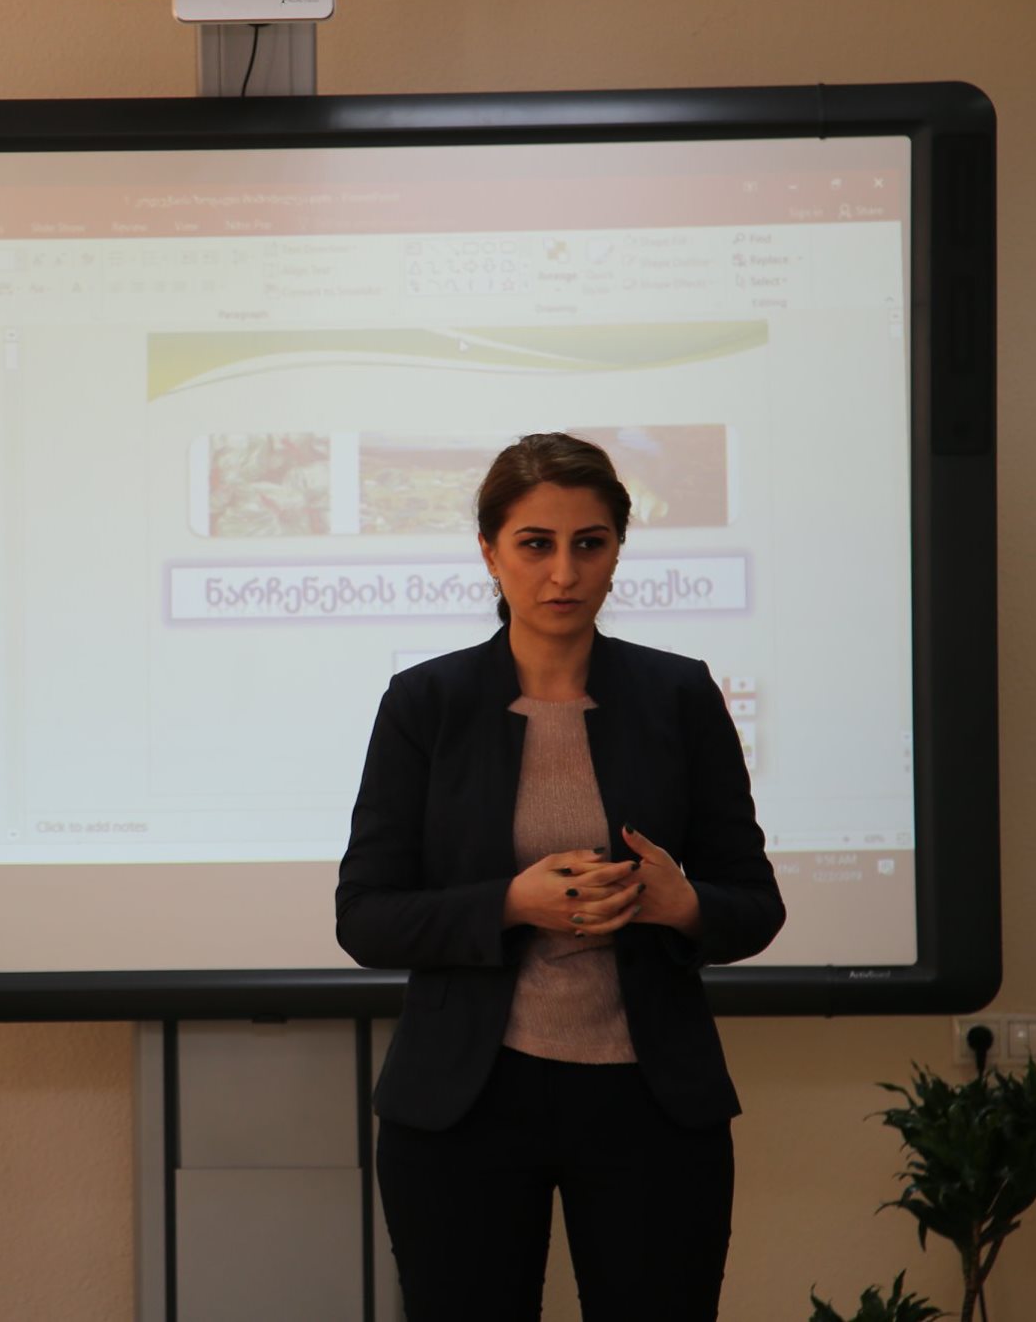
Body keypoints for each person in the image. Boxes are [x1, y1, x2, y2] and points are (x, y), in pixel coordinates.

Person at [334, 432, 785, 1321]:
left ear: (618, 550)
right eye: (535, 543)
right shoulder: (425, 703)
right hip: (465, 1103)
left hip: (650, 1102)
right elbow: (366, 915)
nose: (564, 572)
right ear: (490, 552)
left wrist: (685, 905)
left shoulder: (679, 695)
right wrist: (512, 902)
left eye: (590, 543)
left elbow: (754, 902)